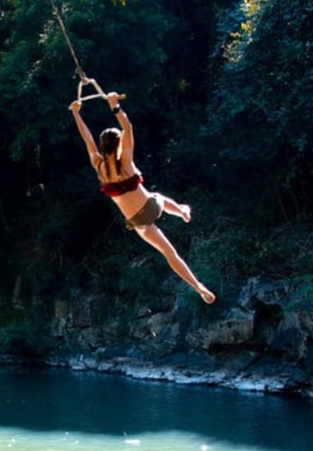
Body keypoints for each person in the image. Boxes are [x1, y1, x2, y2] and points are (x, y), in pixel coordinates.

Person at [69, 91, 216, 304]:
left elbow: (88, 139)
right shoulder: (125, 162)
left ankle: (199, 288)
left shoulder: (99, 166)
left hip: (139, 223)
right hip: (151, 205)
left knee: (169, 254)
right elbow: (128, 128)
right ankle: (183, 212)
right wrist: (114, 106)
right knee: (157, 196)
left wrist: (76, 114)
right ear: (119, 144)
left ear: (103, 147)